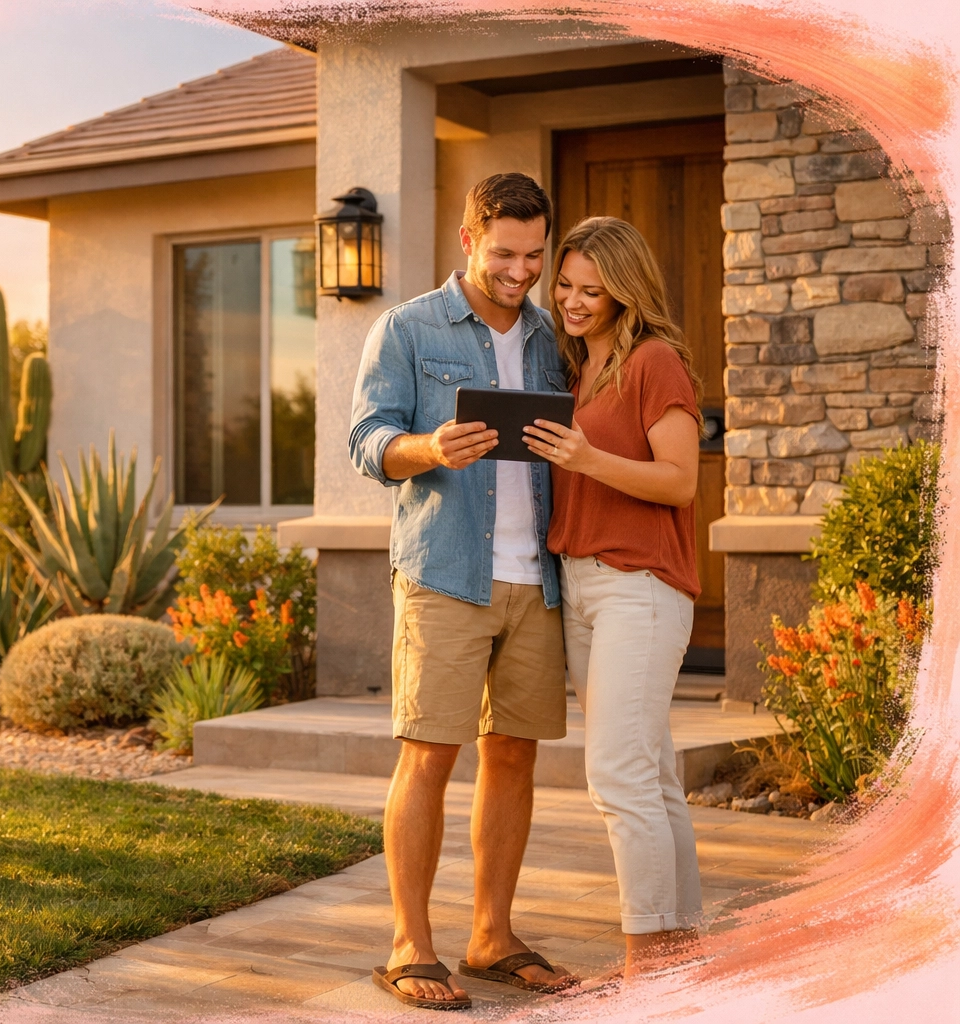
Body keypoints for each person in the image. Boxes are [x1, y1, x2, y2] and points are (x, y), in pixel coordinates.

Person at [349, 172, 575, 1010]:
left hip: (535, 578)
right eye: (505, 253)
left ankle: (491, 934)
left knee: (513, 755)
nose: (521, 271)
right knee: (430, 753)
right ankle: (411, 943)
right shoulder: (407, 327)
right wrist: (430, 447)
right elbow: (367, 442)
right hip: (445, 572)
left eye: (535, 256)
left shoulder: (552, 337)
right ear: (467, 239)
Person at [523, 215, 705, 979]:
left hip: (642, 588)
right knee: (651, 773)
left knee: (618, 776)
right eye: (563, 284)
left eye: (591, 289)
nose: (570, 299)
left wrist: (589, 457)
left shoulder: (655, 363)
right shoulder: (576, 372)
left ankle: (645, 963)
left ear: (625, 292)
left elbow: (681, 482)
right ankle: (683, 945)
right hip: (585, 585)